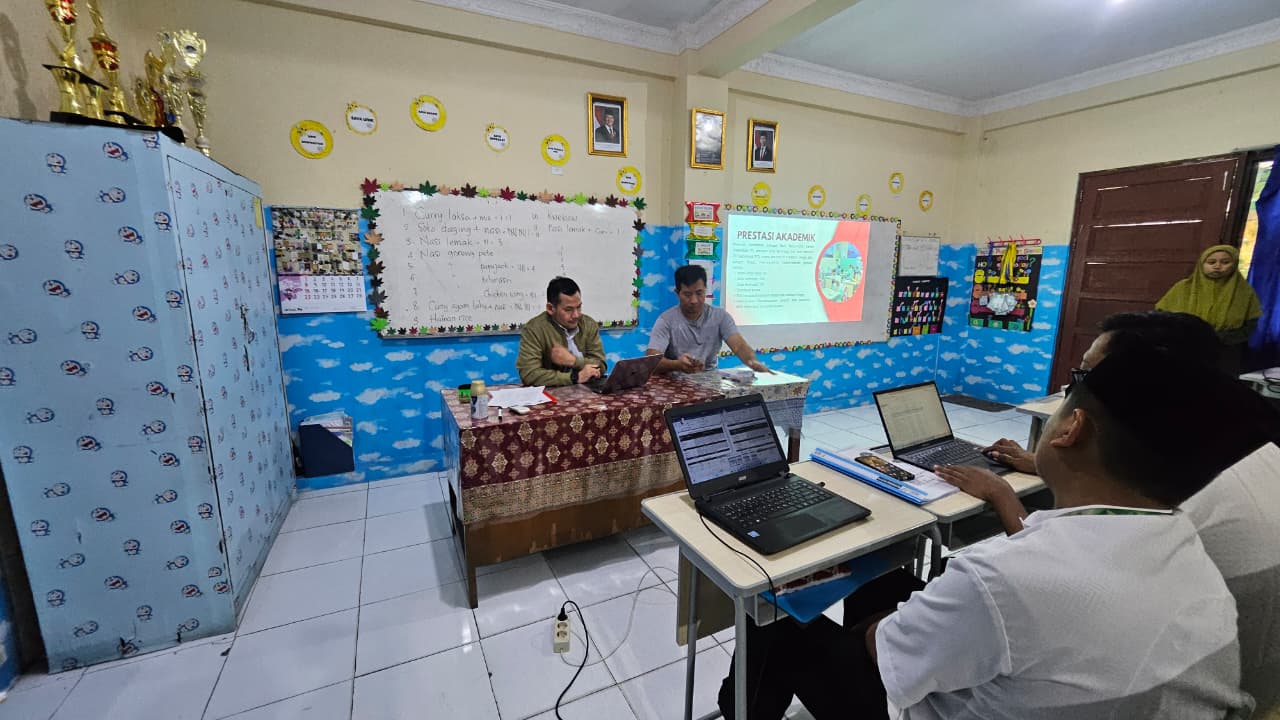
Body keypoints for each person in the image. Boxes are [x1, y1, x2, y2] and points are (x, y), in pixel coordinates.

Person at [720, 346, 1264, 719]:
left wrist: (895, 621)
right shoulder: (1195, 558)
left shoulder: (1000, 578)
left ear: (1072, 428)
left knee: (776, 619)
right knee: (890, 581)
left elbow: (880, 645)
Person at [941, 310, 1280, 714]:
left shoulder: (1175, 486)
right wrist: (1046, 463)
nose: (1072, 390)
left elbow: (1053, 571)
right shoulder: (1229, 448)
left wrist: (1000, 493)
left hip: (1159, 682)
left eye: (1086, 376)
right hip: (1215, 674)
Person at [1155, 244, 1262, 373]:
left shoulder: (1244, 293)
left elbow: (1250, 324)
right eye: (1211, 262)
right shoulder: (1182, 288)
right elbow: (1161, 317)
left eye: (1225, 262)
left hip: (1224, 352)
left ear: (1234, 264)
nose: (1217, 266)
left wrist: (1218, 338)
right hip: (1183, 349)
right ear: (1202, 264)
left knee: (1216, 388)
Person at [646, 264, 771, 374]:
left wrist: (752, 361)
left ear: (706, 290)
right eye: (687, 294)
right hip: (675, 382)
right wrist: (677, 365)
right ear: (677, 293)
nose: (694, 301)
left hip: (710, 381)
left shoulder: (721, 317)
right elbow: (652, 361)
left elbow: (738, 345)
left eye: (699, 293)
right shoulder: (666, 321)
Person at [516, 276, 607, 387]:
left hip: (588, 391)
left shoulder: (588, 324)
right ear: (550, 308)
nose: (576, 315)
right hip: (552, 395)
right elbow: (529, 374)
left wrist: (574, 361)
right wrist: (574, 378)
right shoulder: (534, 329)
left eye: (578, 307)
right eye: (568, 310)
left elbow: (600, 365)